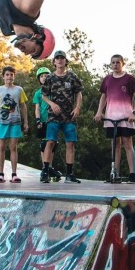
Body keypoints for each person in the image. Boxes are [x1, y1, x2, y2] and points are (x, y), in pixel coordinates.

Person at [94, 54, 135, 183]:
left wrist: (134, 112)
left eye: (118, 62)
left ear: (122, 63)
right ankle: (115, 173)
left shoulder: (129, 79)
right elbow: (103, 97)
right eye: (113, 62)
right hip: (111, 117)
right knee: (115, 144)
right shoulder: (107, 79)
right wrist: (99, 112)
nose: (115, 65)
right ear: (110, 64)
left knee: (127, 143)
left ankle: (132, 174)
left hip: (126, 117)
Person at [42, 51, 84, 183]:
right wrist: (52, 104)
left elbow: (79, 93)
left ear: (66, 61)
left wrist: (77, 107)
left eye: (62, 58)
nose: (60, 60)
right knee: (50, 141)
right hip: (53, 115)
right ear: (54, 62)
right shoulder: (50, 77)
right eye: (57, 58)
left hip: (69, 115)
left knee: (70, 143)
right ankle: (45, 171)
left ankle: (69, 174)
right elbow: (44, 95)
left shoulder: (72, 76)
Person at [0, 66, 28, 183]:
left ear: (14, 76)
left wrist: (26, 122)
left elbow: (23, 106)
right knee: (1, 147)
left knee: (13, 147)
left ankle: (14, 174)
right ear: (3, 77)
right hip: (2, 122)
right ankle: (1, 174)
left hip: (15, 122)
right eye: (7, 75)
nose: (9, 77)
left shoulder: (19, 90)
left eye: (11, 75)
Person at [33, 67, 62, 183]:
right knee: (44, 144)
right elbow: (37, 108)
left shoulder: (54, 91)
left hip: (53, 120)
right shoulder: (38, 93)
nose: (44, 78)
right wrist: (38, 120)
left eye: (46, 76)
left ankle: (49, 167)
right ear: (39, 79)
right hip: (44, 120)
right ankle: (44, 169)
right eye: (42, 76)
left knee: (53, 144)